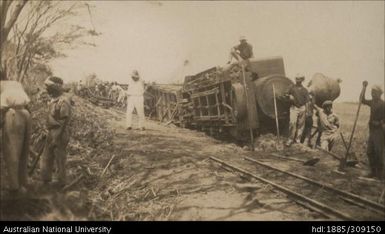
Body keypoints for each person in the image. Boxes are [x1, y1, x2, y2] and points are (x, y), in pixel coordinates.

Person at [40, 76, 72, 188]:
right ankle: (45, 180)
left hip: (60, 132)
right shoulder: (53, 99)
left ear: (56, 88)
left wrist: (56, 137)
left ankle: (61, 182)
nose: (47, 89)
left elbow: (63, 121)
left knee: (59, 157)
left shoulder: (63, 101)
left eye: (49, 87)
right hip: (52, 131)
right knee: (47, 156)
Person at [360, 81, 384, 180]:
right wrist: (364, 88)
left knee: (379, 152)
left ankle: (381, 174)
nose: (372, 93)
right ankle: (373, 172)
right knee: (370, 152)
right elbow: (362, 100)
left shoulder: (383, 104)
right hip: (372, 130)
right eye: (372, 92)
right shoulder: (372, 102)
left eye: (374, 92)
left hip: (380, 131)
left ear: (379, 93)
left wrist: (380, 122)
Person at [283, 74, 310, 146]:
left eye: (299, 79)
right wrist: (289, 96)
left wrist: (307, 111)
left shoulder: (305, 90)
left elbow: (307, 101)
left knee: (301, 125)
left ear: (302, 80)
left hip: (302, 108)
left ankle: (297, 140)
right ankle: (290, 139)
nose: (297, 80)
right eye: (296, 79)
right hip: (293, 107)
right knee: (292, 123)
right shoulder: (291, 87)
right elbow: (285, 94)